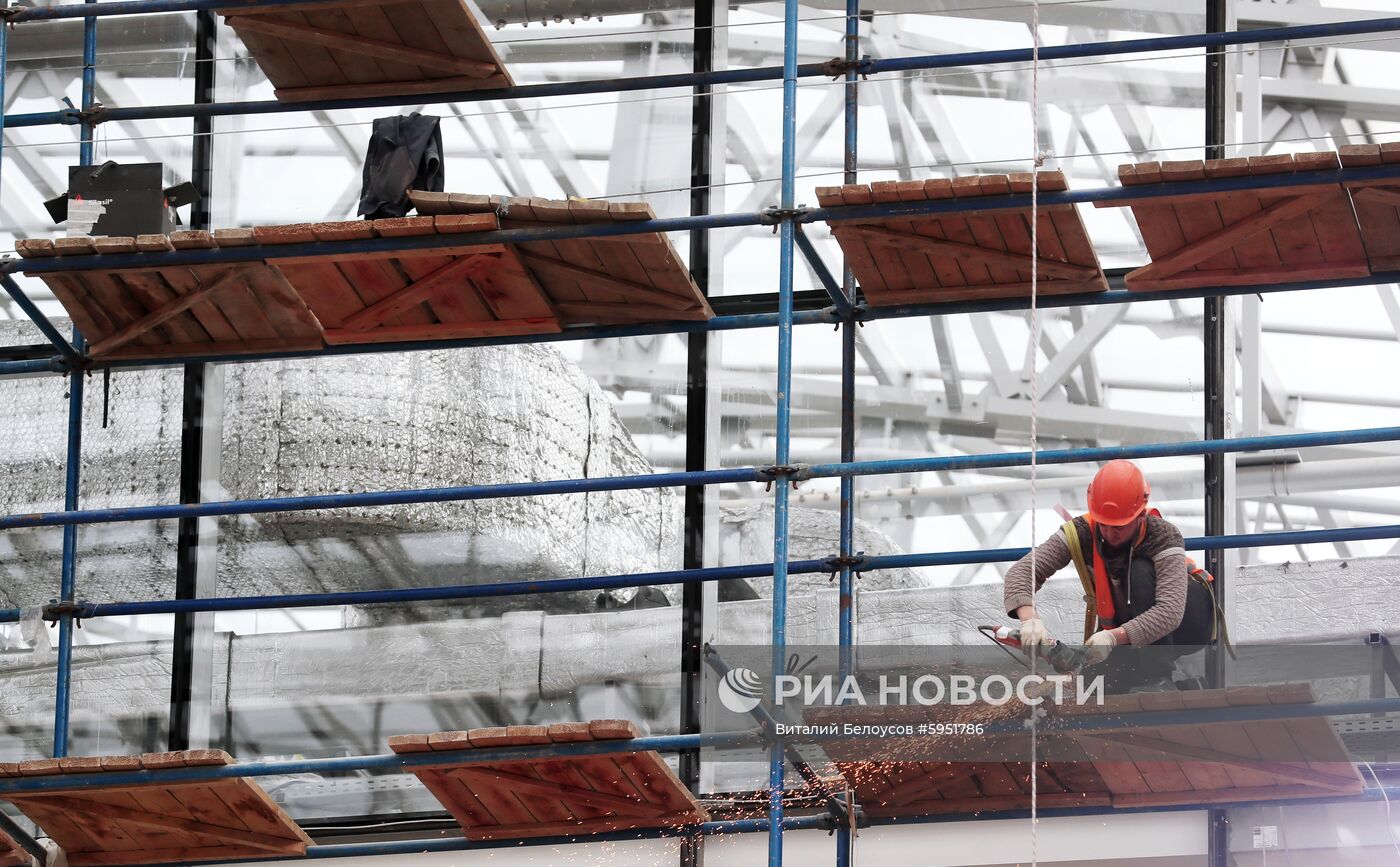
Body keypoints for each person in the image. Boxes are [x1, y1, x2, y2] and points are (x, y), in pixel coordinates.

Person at [1002, 459, 1216, 690]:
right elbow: (1022, 572)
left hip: (1189, 623)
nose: (1110, 534)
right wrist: (1030, 619)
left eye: (1120, 527)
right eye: (1104, 525)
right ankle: (1190, 687)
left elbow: (1169, 612)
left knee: (1140, 570)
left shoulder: (1163, 535)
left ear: (1140, 516)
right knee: (1097, 687)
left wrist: (1113, 637)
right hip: (1129, 628)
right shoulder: (1082, 532)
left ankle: (1159, 679)